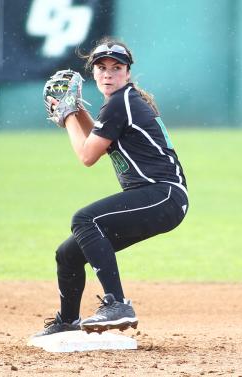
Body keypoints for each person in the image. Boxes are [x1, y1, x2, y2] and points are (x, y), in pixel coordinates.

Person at [33, 37, 189, 336]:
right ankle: (67, 322)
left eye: (116, 67)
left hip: (162, 194)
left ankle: (117, 303)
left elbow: (87, 155)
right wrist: (76, 110)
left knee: (84, 220)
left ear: (127, 73)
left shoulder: (122, 103)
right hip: (159, 197)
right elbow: (98, 140)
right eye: (101, 67)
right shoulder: (121, 104)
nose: (108, 73)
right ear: (93, 72)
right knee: (69, 254)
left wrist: (66, 116)